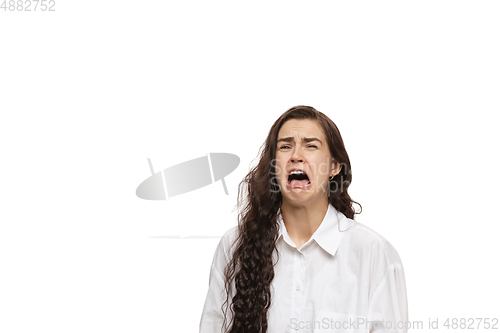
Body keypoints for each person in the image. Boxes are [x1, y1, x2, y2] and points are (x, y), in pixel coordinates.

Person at [199, 106, 408, 333]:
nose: (296, 155)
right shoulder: (234, 246)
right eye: (285, 146)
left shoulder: (372, 252)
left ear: (334, 166)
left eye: (311, 146)